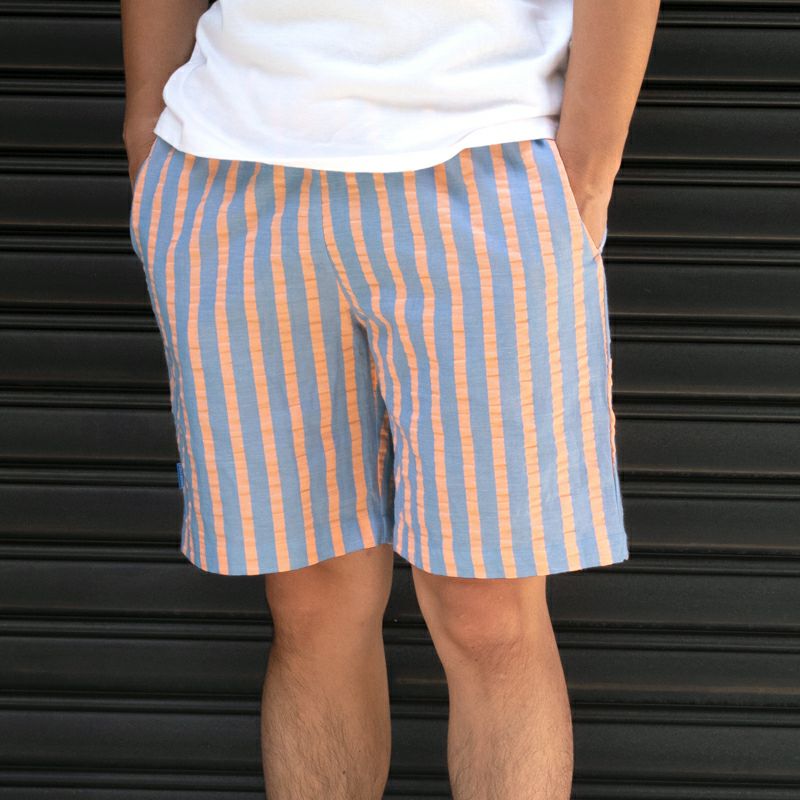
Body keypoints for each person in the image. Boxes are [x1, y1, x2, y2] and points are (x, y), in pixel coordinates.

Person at [121, 1, 660, 797]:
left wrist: (586, 172)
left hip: (488, 155)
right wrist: (146, 131)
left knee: (489, 611)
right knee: (310, 599)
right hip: (231, 159)